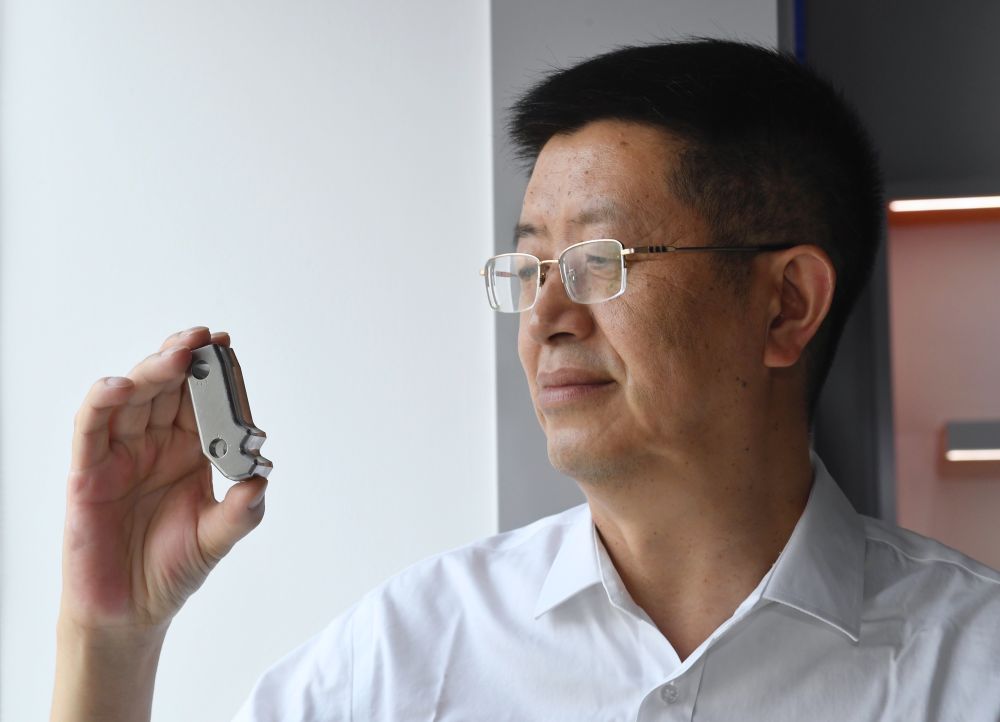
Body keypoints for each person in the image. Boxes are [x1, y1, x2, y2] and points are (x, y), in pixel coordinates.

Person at [51, 39, 1000, 722]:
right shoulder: (407, 655)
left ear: (786, 306)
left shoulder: (973, 666)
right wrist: (110, 637)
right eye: (529, 267)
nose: (545, 317)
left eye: (599, 261)